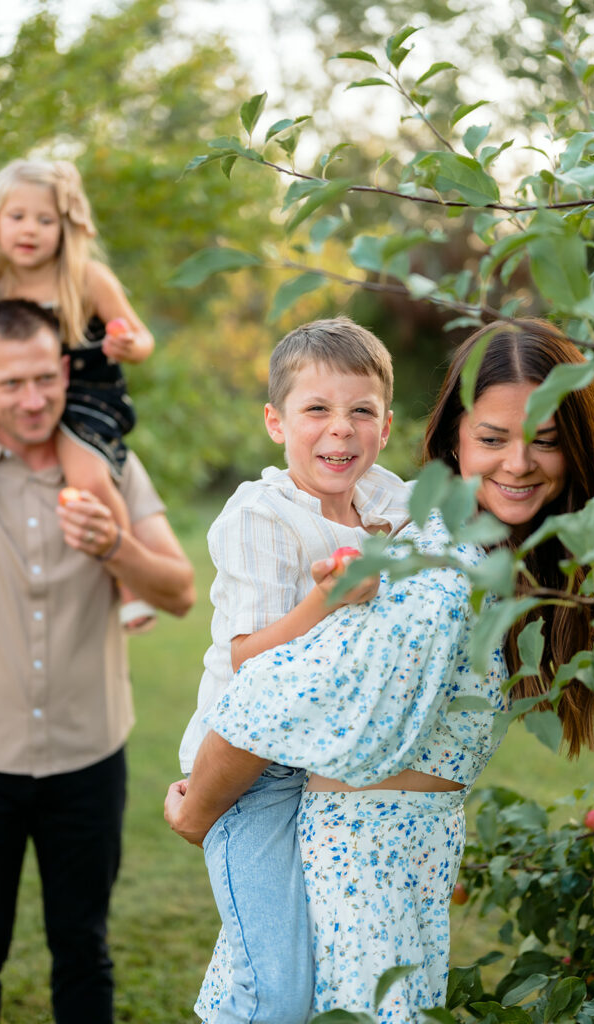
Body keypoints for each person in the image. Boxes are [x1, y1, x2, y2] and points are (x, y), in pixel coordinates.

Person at [166, 318, 594, 1021]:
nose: (519, 462)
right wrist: (198, 812)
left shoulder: (471, 543)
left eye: (546, 441)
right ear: (455, 439)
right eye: (492, 439)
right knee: (282, 998)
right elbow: (258, 700)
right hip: (356, 866)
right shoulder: (434, 573)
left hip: (403, 859)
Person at [0, 298, 195, 1024]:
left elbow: (179, 593)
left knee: (84, 949)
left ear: (66, 372)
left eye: (46, 378)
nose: (35, 399)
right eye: (11, 384)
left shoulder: (110, 467)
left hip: (88, 761)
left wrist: (115, 547)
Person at [173, 316, 412, 1023]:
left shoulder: (392, 505)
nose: (339, 431)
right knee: (277, 988)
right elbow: (248, 658)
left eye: (359, 411)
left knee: (311, 967)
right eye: (316, 410)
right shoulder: (261, 516)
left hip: (336, 769)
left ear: (385, 425)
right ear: (276, 422)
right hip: (253, 773)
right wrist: (330, 596)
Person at [0, 158, 155, 630]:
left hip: (85, 397)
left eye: (44, 220)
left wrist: (128, 345)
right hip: (16, 398)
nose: (30, 229)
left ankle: (128, 584)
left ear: (65, 227)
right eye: (17, 217)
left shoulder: (88, 279)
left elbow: (143, 339)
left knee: (87, 477)